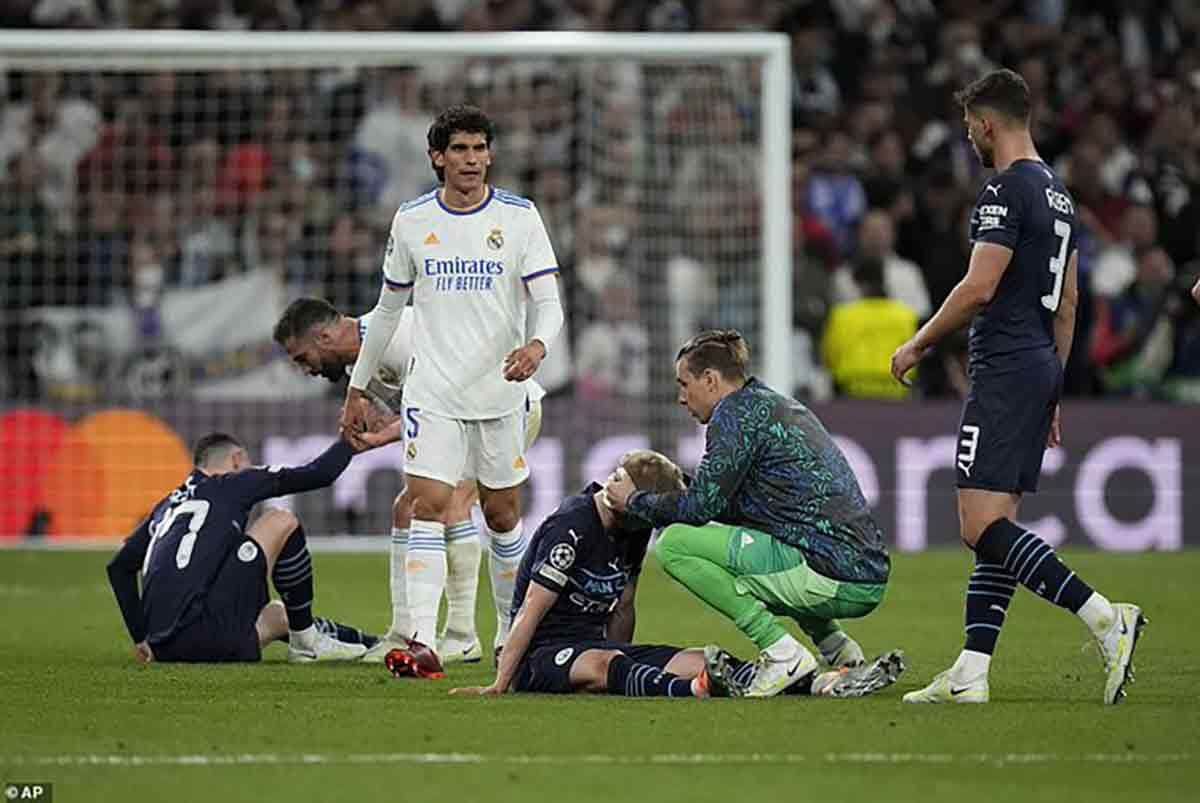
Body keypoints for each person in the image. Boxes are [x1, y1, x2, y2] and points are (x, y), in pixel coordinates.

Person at [890, 68, 1144, 705]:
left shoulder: (1004, 191)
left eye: (969, 127)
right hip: (1036, 365)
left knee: (979, 528)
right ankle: (973, 670)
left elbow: (978, 288)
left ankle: (1106, 618)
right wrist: (1054, 382)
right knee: (998, 524)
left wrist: (919, 342)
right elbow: (1070, 301)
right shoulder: (1059, 195)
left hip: (1004, 367)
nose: (969, 138)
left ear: (986, 123)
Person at [339, 104, 564, 661]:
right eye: (459, 149)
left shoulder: (519, 217)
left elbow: (550, 303)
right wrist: (357, 387)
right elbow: (387, 311)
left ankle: (510, 635)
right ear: (438, 157)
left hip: (499, 391)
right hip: (433, 391)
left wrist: (538, 346)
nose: (472, 159)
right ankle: (421, 641)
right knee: (428, 504)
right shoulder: (412, 219)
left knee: (502, 515)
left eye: (480, 148)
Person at [449, 450, 900, 699]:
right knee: (609, 666)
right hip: (540, 655)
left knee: (700, 654)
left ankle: (822, 683)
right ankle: (691, 692)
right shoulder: (573, 528)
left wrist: (624, 661)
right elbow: (528, 610)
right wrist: (500, 683)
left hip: (594, 645)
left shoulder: (630, 530)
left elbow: (623, 604)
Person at [603, 331, 900, 699]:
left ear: (710, 380)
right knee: (769, 548)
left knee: (675, 545)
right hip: (862, 573)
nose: (681, 397)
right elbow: (742, 506)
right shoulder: (768, 403)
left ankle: (782, 654)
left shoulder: (732, 417)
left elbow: (699, 510)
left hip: (831, 574)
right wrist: (684, 490)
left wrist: (634, 502)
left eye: (685, 384)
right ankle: (840, 653)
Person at [273, 297, 547, 664]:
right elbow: (424, 409)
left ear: (323, 338)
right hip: (467, 412)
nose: (305, 370)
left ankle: (455, 635)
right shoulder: (366, 363)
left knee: (446, 505)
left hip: (504, 407)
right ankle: (419, 634)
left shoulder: (399, 336)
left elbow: (441, 404)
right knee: (410, 508)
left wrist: (383, 434)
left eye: (302, 358)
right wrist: (379, 431)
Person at [106, 433, 376, 664]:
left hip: (164, 648)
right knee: (280, 520)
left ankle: (370, 644)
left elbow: (119, 567)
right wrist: (348, 442)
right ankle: (307, 642)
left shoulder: (165, 507)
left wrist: (141, 637)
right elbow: (320, 473)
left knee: (279, 615)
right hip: (213, 638)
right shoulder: (232, 483)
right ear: (237, 459)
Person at [821, 255, 919, 399]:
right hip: (897, 392)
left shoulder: (842, 316)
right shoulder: (906, 316)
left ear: (859, 283)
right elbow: (917, 355)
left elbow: (829, 358)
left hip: (853, 392)